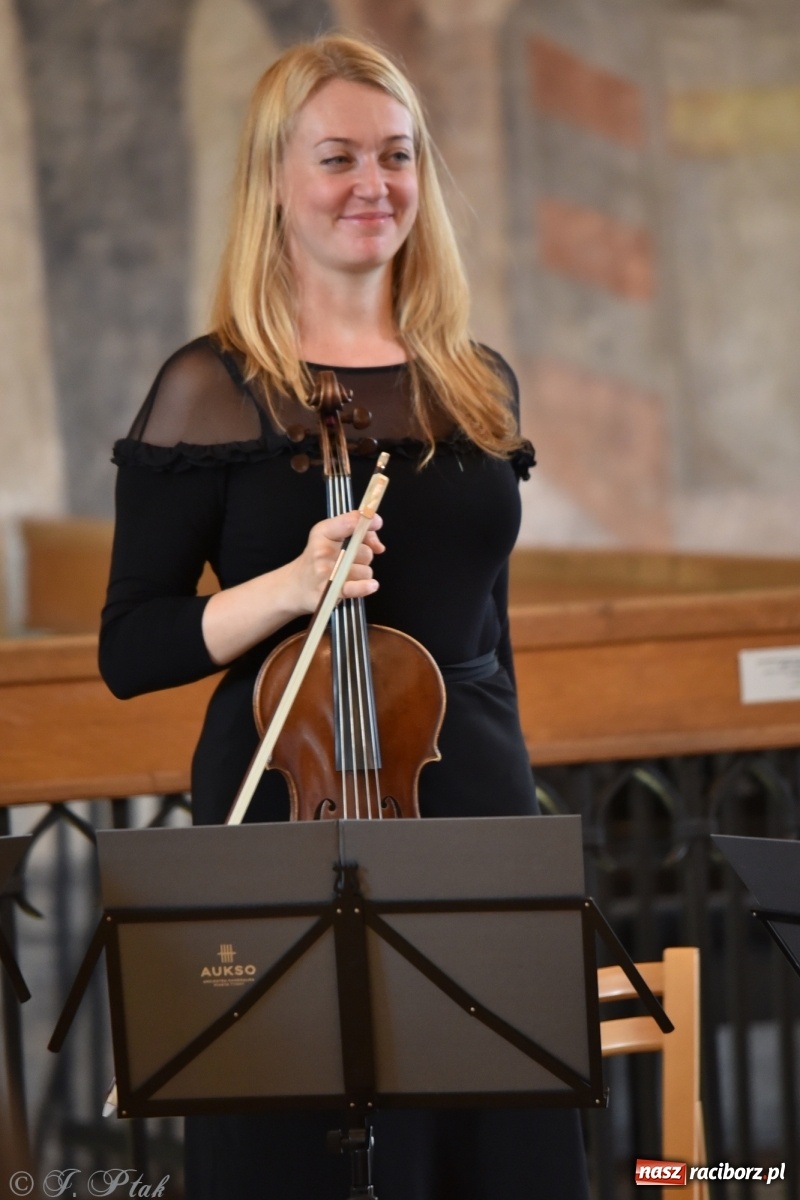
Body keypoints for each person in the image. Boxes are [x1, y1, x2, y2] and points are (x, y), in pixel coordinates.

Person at [99, 33, 590, 1200]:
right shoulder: (209, 387)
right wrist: (285, 590)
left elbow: (490, 628)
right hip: (281, 799)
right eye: (336, 158)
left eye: (395, 155)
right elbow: (131, 646)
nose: (373, 185)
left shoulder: (474, 381)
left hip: (463, 789)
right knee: (292, 1142)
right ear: (274, 179)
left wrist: (516, 816)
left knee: (497, 1137)